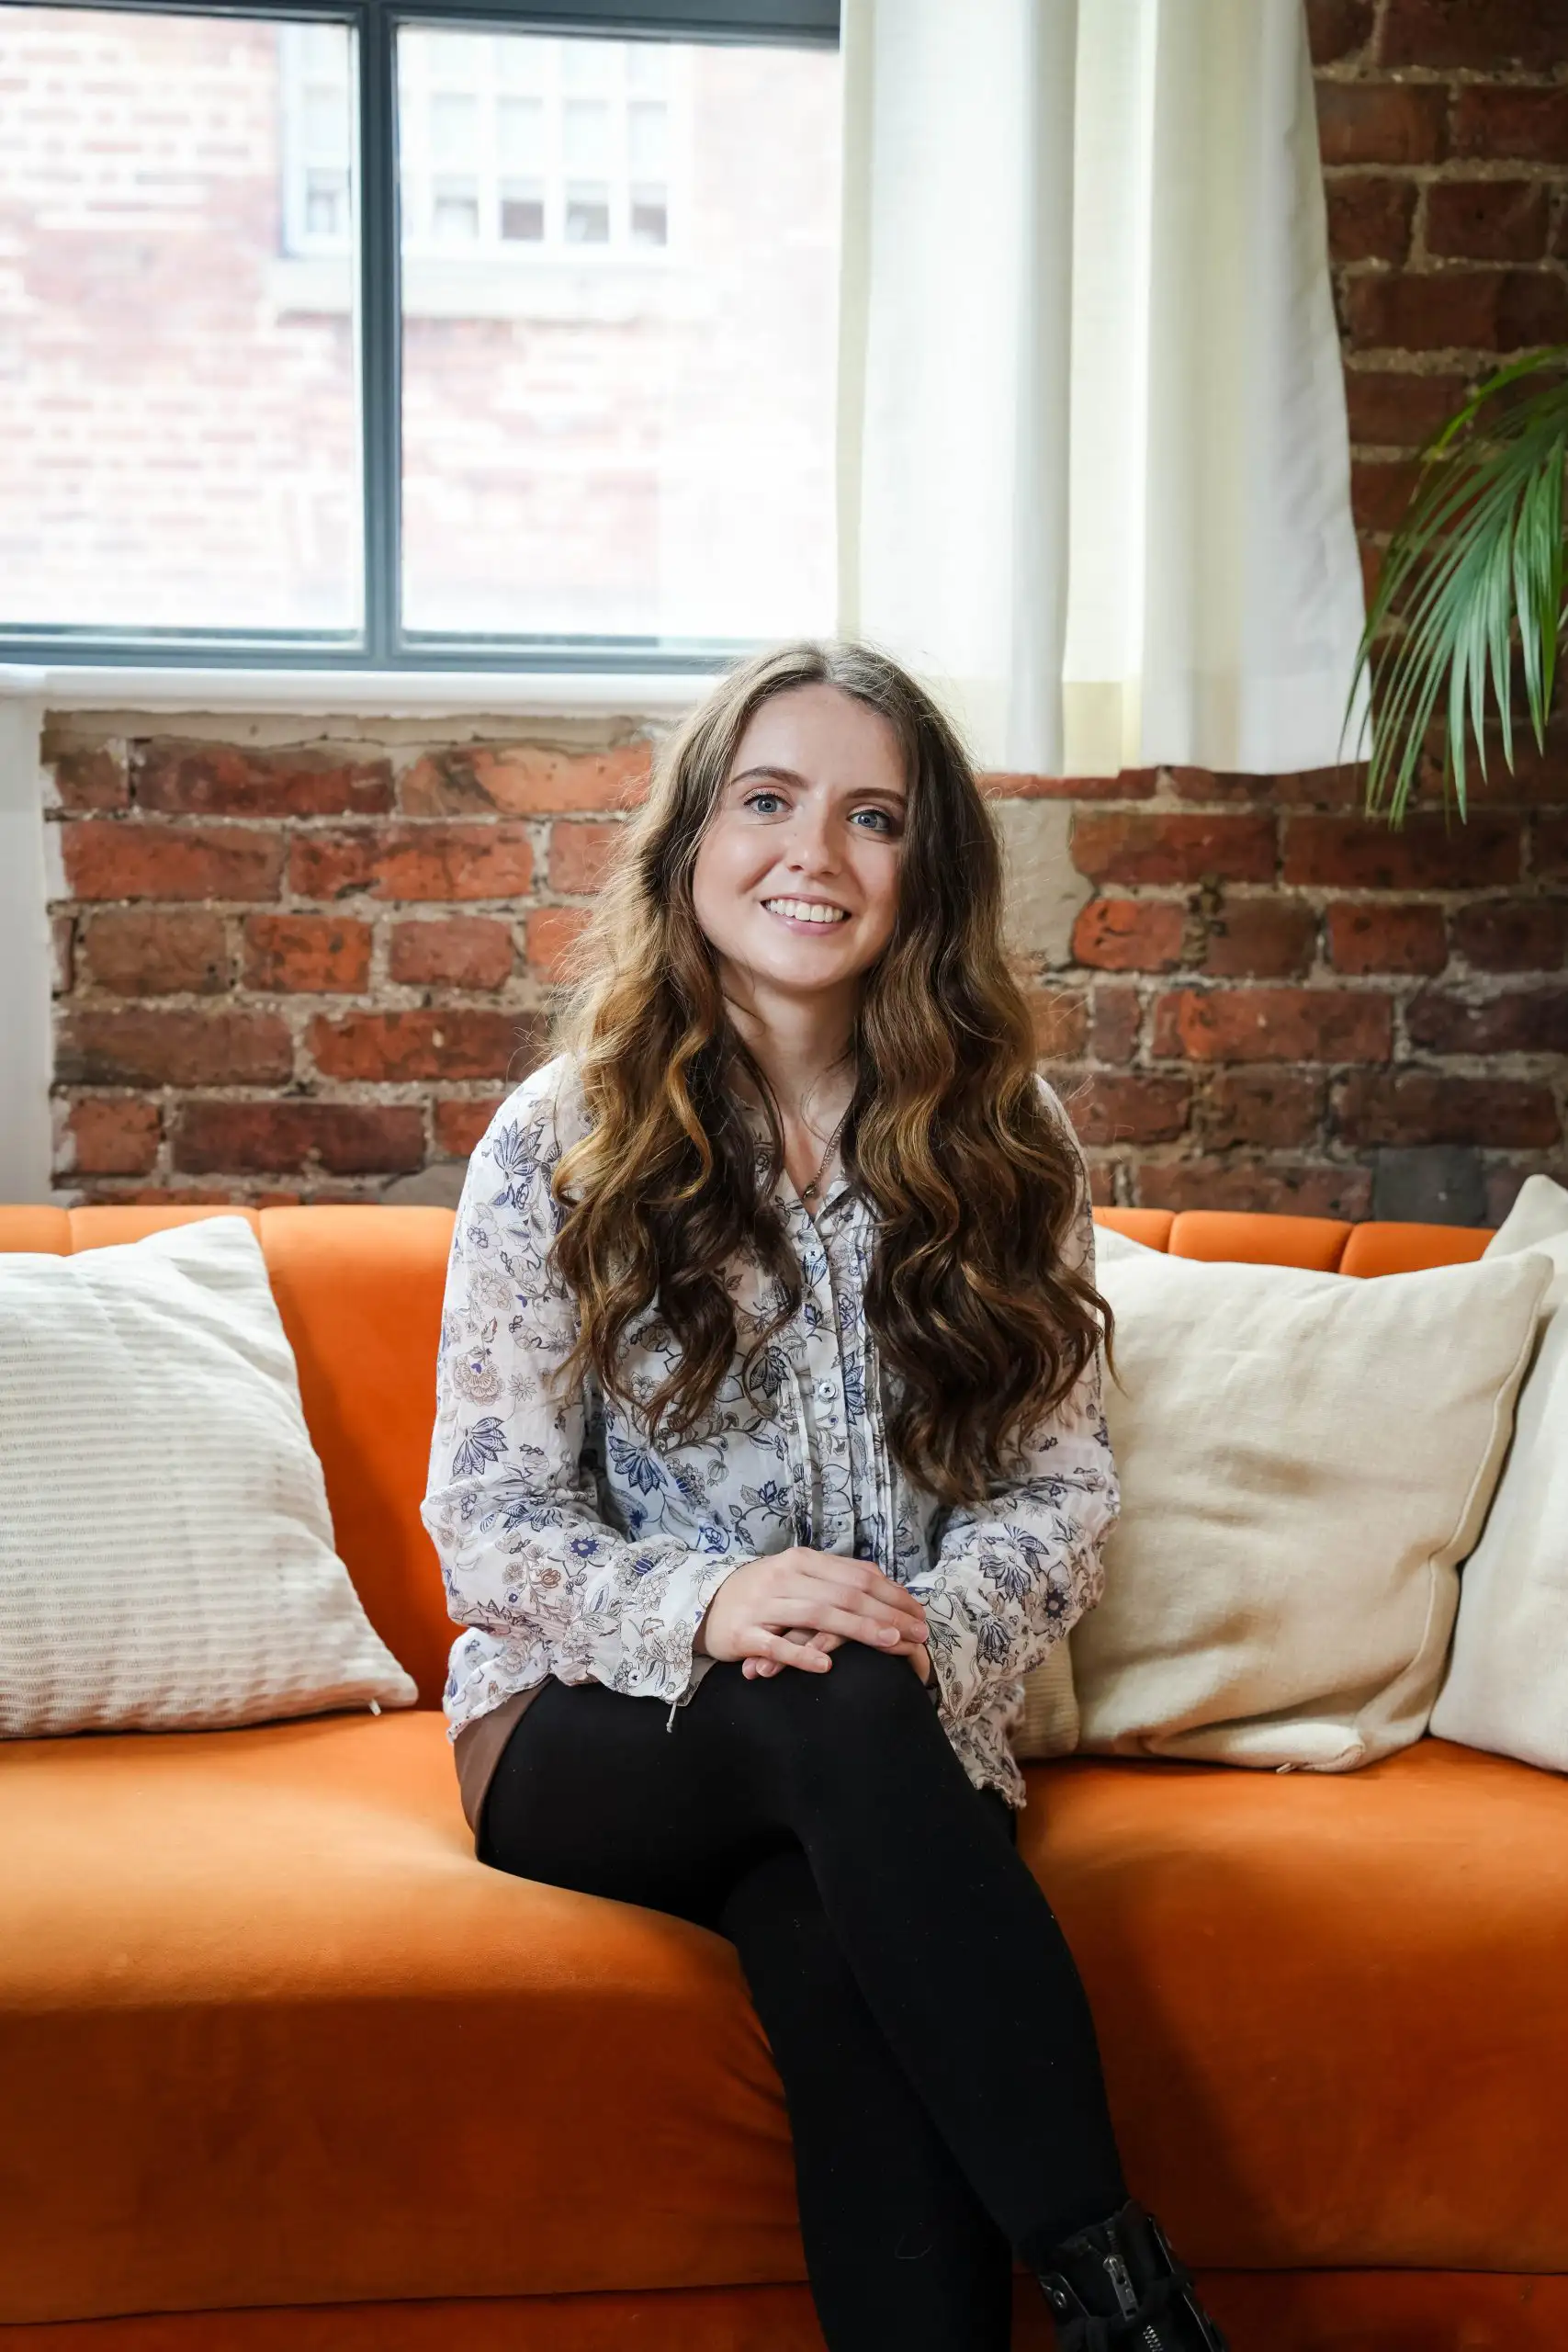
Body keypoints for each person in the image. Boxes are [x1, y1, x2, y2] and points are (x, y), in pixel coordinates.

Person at [421, 639, 1229, 2352]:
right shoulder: (557, 1140)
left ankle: (1109, 2313)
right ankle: (1135, 2303)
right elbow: (488, 1524)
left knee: (836, 1943)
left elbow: (1060, 1486)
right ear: (693, 841)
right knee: (834, 1709)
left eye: (873, 819)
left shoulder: (1010, 1140)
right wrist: (709, 1606)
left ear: (922, 873)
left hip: (895, 1741)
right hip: (589, 1732)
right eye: (769, 801)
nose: (815, 855)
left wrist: (914, 1633)